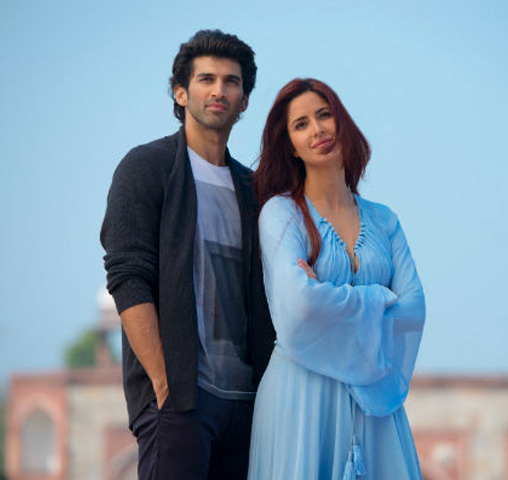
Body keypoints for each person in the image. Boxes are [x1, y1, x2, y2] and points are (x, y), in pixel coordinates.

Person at [100, 29, 274, 480]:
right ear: (181, 92)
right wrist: (166, 386)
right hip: (182, 400)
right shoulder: (148, 167)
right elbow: (127, 275)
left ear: (245, 99)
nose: (220, 90)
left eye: (232, 82)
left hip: (248, 405)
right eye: (206, 79)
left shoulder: (255, 190)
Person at [248, 78, 426, 479]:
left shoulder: (385, 220)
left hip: (376, 402)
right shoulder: (281, 215)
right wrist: (381, 297)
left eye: (324, 115)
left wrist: (328, 297)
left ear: (342, 122)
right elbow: (298, 305)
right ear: (290, 145)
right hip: (302, 396)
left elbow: (414, 308)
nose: (318, 130)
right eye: (301, 124)